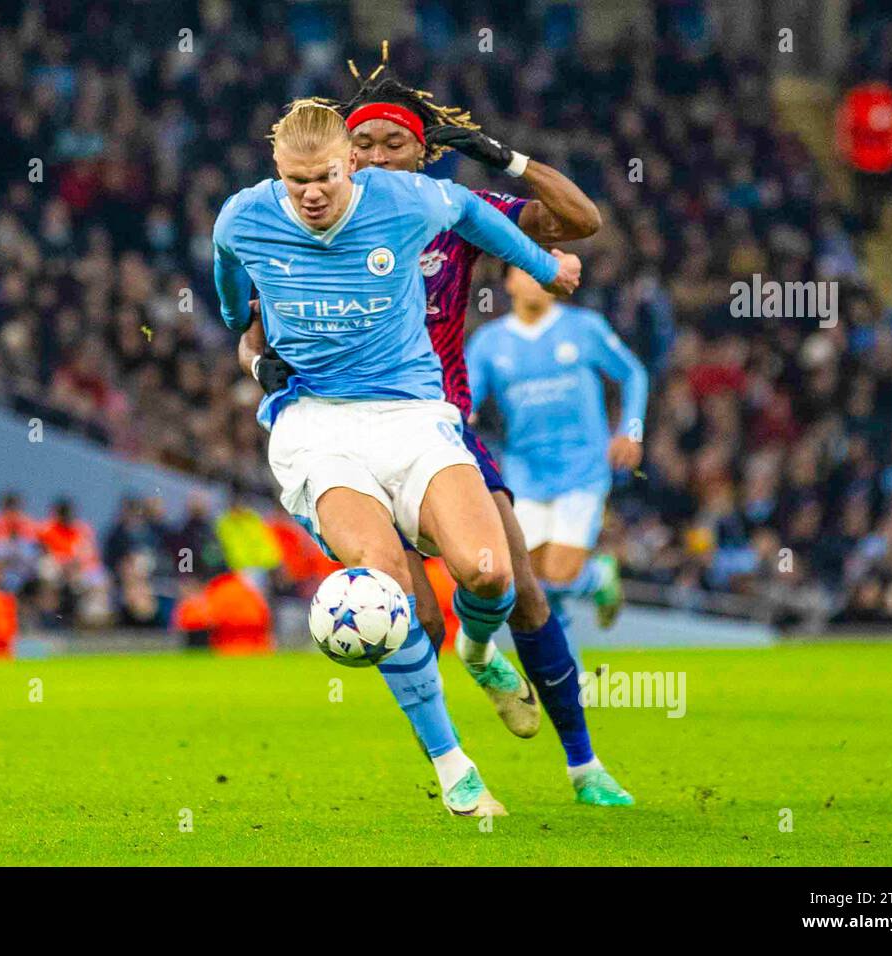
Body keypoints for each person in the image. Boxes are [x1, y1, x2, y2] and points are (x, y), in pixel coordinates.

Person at [238, 57, 633, 805]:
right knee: (405, 608)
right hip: (340, 428)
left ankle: (582, 763)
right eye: (366, 146)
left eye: (396, 144)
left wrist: (503, 156)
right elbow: (253, 331)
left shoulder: (448, 209)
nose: (378, 157)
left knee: (515, 586)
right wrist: (264, 371)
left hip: (437, 425)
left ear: (426, 154)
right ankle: (453, 767)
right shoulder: (304, 222)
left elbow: (582, 223)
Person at [468, 266, 648, 668]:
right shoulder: (489, 342)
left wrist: (630, 431)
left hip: (582, 469)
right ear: (509, 282)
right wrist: (465, 413)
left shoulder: (584, 328)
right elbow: (467, 399)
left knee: (560, 575)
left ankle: (596, 578)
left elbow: (633, 373)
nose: (537, 280)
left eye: (543, 272)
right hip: (524, 475)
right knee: (534, 585)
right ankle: (572, 676)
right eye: (526, 271)